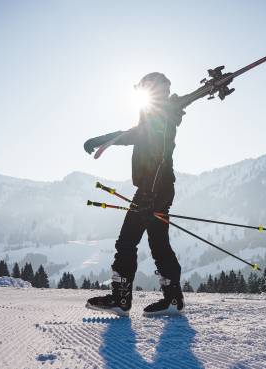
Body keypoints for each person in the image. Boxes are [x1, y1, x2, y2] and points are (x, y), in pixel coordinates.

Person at [84, 72, 185, 316]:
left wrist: (149, 194)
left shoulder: (161, 117)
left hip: (153, 188)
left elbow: (160, 156)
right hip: (159, 188)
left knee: (126, 242)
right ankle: (173, 300)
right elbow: (134, 134)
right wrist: (104, 140)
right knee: (159, 244)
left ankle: (120, 299)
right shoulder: (158, 116)